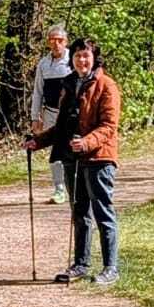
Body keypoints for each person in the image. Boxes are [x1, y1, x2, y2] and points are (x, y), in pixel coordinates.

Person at [25, 38, 121, 285]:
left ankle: (111, 268)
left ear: (94, 58)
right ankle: (80, 264)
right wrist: (38, 141)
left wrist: (86, 142)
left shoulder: (107, 85)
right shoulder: (69, 84)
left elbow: (109, 126)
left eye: (86, 55)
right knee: (79, 213)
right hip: (71, 157)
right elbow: (63, 126)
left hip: (99, 158)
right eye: (77, 56)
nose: (82, 60)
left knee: (103, 212)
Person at [28, 25, 73, 203]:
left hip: (70, 115)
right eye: (52, 40)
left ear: (66, 42)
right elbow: (38, 91)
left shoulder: (72, 60)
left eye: (60, 40)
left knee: (71, 149)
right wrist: (35, 117)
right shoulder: (43, 64)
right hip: (50, 114)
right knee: (55, 152)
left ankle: (74, 186)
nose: (56, 44)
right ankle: (59, 189)